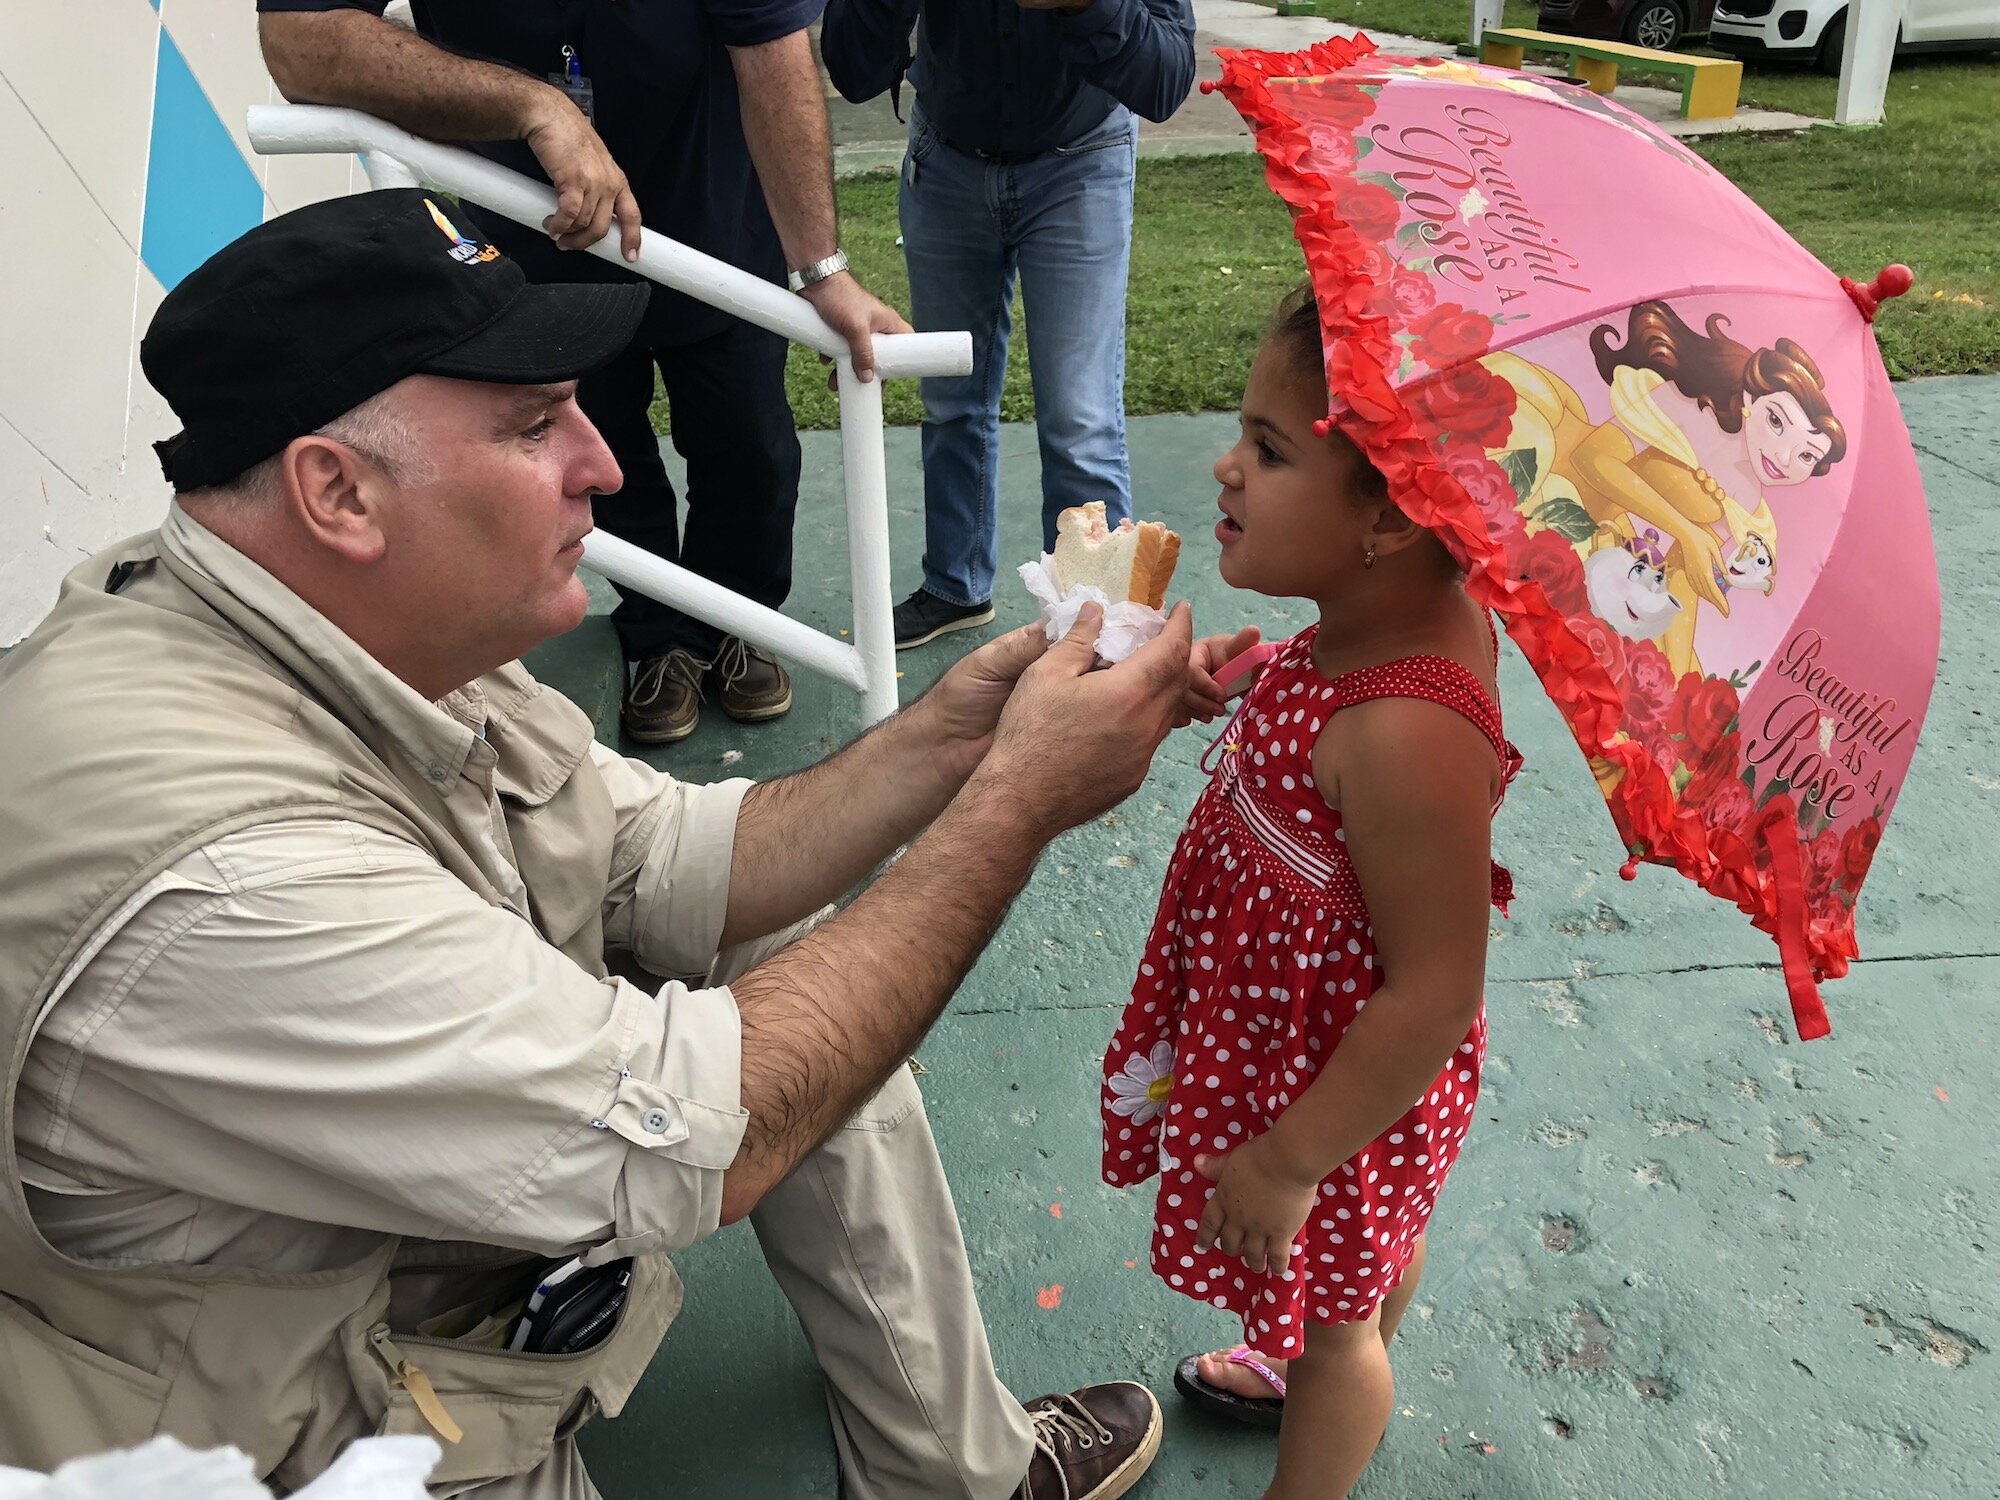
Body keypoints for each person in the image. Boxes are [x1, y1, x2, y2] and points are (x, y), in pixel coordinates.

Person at [0, 192, 1191, 1500]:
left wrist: (959, 740)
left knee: (777, 942)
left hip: (324, 1231)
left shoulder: (314, 609)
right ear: (335, 490)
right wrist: (1015, 806)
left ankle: (948, 1474)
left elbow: (658, 856)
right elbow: (694, 1136)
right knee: (757, 1062)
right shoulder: (223, 877)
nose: (605, 464)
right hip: (251, 1433)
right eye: (531, 424)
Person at [1098, 287, 1521, 1498]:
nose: (1224, 467)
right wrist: (1261, 666)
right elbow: (1348, 674)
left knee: (1336, 1332)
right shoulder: (1363, 631)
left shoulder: (1403, 733)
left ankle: (1324, 1403)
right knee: (1367, 1256)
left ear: (1386, 514)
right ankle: (1339, 1326)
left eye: (1269, 450)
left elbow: (1437, 991)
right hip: (1310, 1061)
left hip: (1338, 1087)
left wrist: (1287, 1162)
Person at [259, 0, 914, 743]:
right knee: (597, 459)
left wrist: (821, 270)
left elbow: (774, 50)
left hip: (720, 221)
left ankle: (742, 621)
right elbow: (298, 44)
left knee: (750, 450)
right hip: (542, 230)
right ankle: (658, 637)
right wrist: (532, 104)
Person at [820, 0, 1197, 651]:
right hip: (947, 159)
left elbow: (1165, 81)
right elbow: (851, 69)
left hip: (1082, 160)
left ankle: (1099, 638)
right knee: (949, 397)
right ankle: (954, 586)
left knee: (1080, 417)